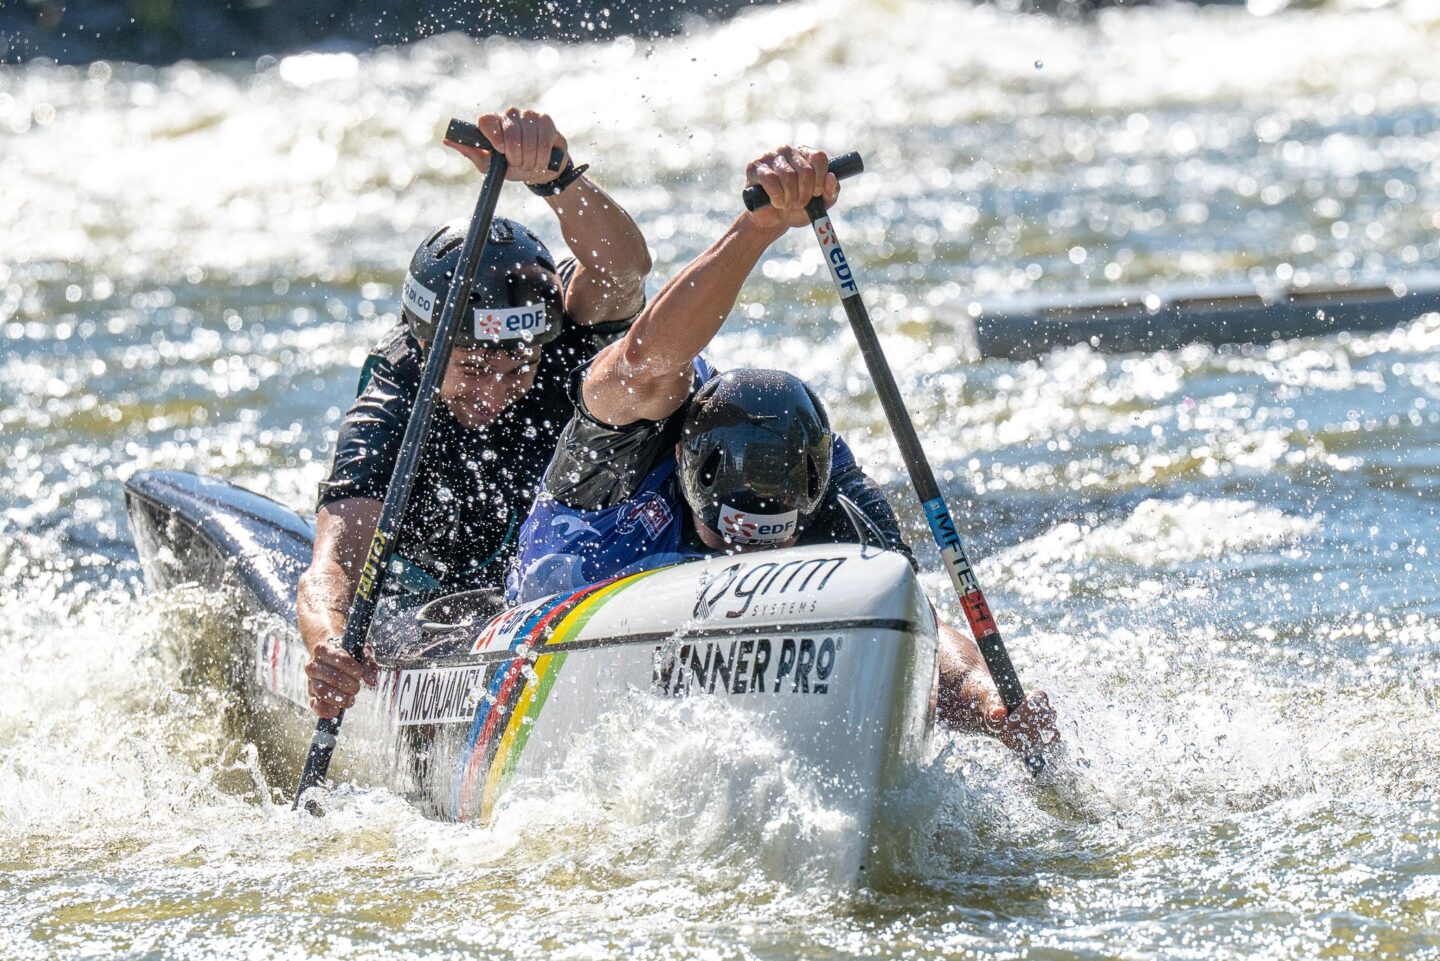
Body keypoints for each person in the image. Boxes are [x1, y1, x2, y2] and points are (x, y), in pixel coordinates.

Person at [508, 145, 1056, 757]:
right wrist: (760, 226)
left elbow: (911, 627)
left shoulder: (823, 474)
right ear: (691, 481)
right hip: (544, 628)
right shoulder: (628, 433)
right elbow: (646, 360)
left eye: (768, 539)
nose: (744, 557)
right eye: (726, 538)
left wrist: (987, 696)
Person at [297, 108, 652, 719]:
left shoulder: (558, 330)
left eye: (517, 370)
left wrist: (557, 179)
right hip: (422, 599)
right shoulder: (393, 398)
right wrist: (329, 644)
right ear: (425, 345)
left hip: (549, 578)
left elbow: (623, 273)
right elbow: (332, 565)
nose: (493, 394)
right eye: (472, 370)